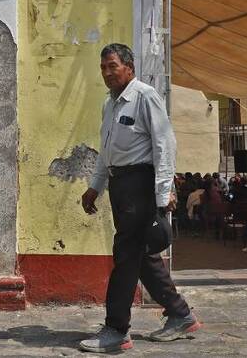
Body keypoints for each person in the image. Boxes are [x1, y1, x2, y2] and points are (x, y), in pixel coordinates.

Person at [79, 44, 201, 352]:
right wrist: (95, 186)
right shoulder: (109, 105)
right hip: (120, 186)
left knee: (125, 254)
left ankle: (116, 329)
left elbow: (164, 144)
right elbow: (107, 152)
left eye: (112, 66)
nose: (107, 73)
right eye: (103, 67)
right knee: (142, 255)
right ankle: (180, 314)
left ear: (129, 68)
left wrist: (163, 194)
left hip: (141, 185)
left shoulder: (145, 96)